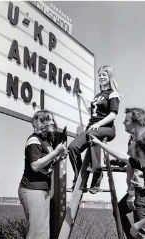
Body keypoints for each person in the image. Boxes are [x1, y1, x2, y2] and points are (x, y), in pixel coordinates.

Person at [68, 65, 120, 194]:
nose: (101, 77)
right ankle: (80, 179)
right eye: (100, 75)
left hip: (107, 128)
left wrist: (99, 124)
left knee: (92, 134)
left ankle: (97, 174)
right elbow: (91, 111)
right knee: (72, 147)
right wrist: (82, 96)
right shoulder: (98, 96)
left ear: (110, 77)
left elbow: (113, 114)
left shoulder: (113, 93)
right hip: (92, 128)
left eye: (104, 75)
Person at [18, 110, 67, 239]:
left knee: (43, 233)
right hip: (32, 189)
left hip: (42, 190)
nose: (52, 122)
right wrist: (56, 152)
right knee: (36, 233)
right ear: (42, 123)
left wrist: (59, 157)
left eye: (52, 119)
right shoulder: (34, 139)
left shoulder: (46, 142)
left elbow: (46, 163)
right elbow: (35, 165)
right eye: (49, 119)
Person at [115, 108, 145, 239]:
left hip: (142, 189)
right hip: (139, 188)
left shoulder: (141, 137)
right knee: (119, 210)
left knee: (141, 228)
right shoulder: (134, 137)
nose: (123, 123)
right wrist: (116, 161)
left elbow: (139, 167)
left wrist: (132, 193)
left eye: (126, 120)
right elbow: (130, 159)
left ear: (135, 122)